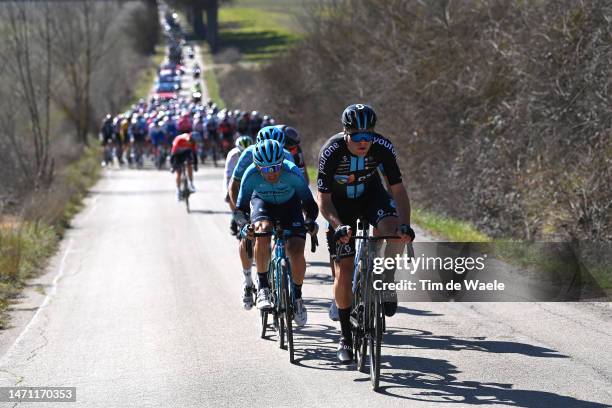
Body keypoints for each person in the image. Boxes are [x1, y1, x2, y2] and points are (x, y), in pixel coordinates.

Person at [316, 103, 415, 363]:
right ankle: (346, 338)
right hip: (341, 208)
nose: (363, 142)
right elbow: (323, 202)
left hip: (372, 198)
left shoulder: (382, 147)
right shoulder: (331, 151)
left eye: (368, 135)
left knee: (393, 233)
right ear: (346, 133)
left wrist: (405, 225)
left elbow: (398, 191)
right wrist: (338, 227)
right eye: (357, 137)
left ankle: (386, 278)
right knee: (344, 271)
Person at [234, 140, 319, 326]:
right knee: (261, 231)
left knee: (296, 251)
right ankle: (263, 287)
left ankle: (297, 297)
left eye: (275, 167)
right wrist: (244, 225)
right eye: (265, 169)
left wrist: (310, 221)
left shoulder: (292, 171)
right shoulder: (250, 174)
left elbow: (310, 204)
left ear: (282, 161)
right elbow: (240, 209)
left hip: (290, 206)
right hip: (263, 204)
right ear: (257, 166)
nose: (271, 173)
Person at [224, 135, 256, 309]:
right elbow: (229, 182)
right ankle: (247, 280)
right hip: (241, 189)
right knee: (245, 231)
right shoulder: (233, 156)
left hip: (258, 192)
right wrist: (237, 214)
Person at [170, 132, 198, 201]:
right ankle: (178, 190)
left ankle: (191, 183)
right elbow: (173, 154)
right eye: (191, 142)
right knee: (178, 172)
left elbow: (194, 154)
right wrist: (172, 166)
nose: (192, 143)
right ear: (189, 139)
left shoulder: (193, 142)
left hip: (186, 153)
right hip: (177, 155)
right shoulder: (179, 140)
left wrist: (195, 164)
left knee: (189, 164)